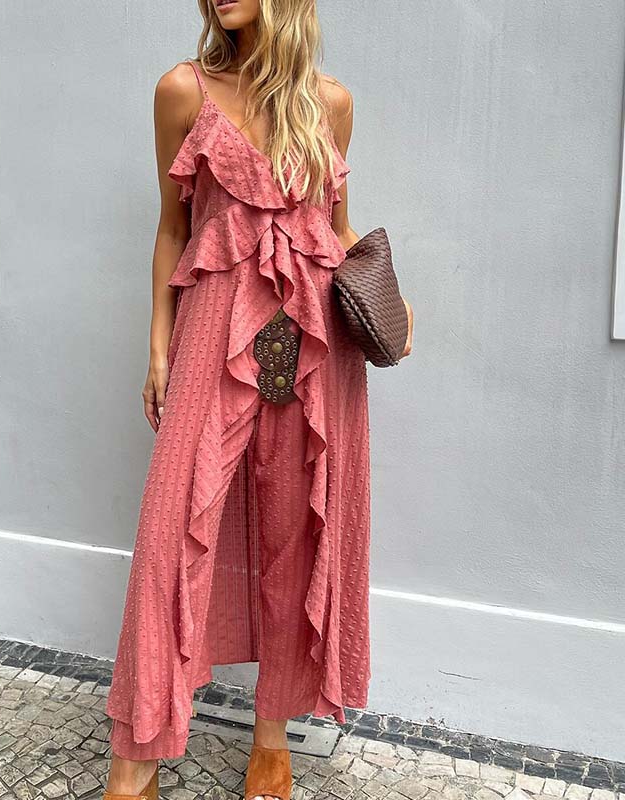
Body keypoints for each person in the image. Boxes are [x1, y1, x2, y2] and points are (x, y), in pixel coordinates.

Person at [103, 1, 414, 798]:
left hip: (315, 341)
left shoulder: (332, 104)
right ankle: (136, 753)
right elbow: (171, 229)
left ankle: (271, 736)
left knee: (293, 526)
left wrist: (395, 307)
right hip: (216, 319)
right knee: (173, 524)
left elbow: (336, 228)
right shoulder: (183, 90)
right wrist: (158, 345)